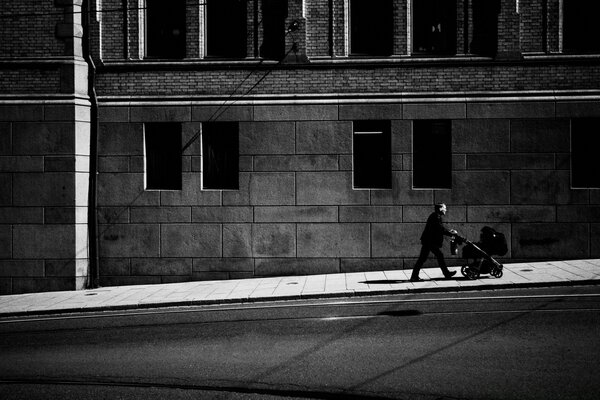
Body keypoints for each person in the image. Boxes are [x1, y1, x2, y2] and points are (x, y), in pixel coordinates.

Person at [410, 203, 457, 282]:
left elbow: (440, 228)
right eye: (444, 208)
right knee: (438, 256)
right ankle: (446, 274)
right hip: (429, 242)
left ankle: (414, 276)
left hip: (428, 241)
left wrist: (449, 232)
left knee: (423, 259)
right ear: (440, 209)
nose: (446, 210)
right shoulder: (435, 217)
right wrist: (450, 233)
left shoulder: (436, 216)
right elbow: (440, 229)